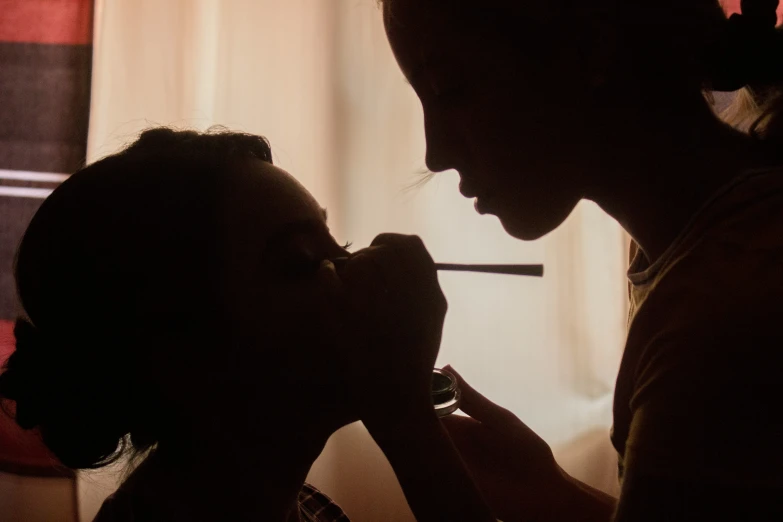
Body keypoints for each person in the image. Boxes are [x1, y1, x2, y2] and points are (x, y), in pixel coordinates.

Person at [375, 0, 783, 520]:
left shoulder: (721, 310)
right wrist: (550, 493)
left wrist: (404, 428)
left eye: (449, 90)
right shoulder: (694, 244)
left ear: (588, 50)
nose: (435, 152)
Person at [0, 128, 495, 522]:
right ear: (180, 354)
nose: (357, 268)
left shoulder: (314, 511)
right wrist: (409, 426)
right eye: (300, 262)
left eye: (337, 245)